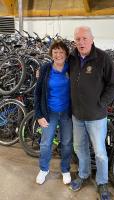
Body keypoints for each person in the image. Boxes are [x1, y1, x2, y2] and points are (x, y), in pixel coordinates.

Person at [68, 26, 114, 200]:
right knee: (79, 148)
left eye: (84, 38)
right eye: (77, 39)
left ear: (91, 39)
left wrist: (101, 103)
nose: (81, 42)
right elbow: (59, 70)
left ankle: (102, 181)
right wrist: (42, 73)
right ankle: (83, 174)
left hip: (96, 116)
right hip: (77, 115)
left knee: (99, 152)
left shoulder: (103, 58)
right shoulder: (72, 58)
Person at [34, 40, 73, 185]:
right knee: (45, 143)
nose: (58, 55)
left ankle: (65, 169)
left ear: (66, 54)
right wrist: (39, 115)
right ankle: (44, 169)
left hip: (67, 113)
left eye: (61, 52)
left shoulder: (71, 69)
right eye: (55, 52)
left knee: (67, 143)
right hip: (49, 112)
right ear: (51, 54)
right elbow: (37, 94)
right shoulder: (45, 69)